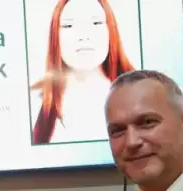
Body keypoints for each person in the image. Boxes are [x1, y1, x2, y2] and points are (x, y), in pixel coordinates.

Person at [30, 0, 135, 144]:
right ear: (55, 34)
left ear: (111, 29)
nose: (84, 36)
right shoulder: (33, 101)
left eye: (96, 23)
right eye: (68, 25)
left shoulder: (139, 90)